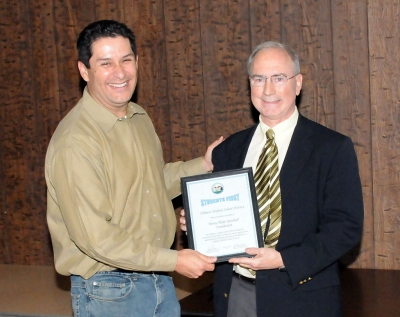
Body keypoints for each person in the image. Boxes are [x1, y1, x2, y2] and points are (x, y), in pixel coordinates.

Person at [45, 20, 223, 317]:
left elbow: (152, 182)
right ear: (84, 70)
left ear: (137, 62)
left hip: (156, 278)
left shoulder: (137, 116)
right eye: (105, 63)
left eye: (126, 60)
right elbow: (96, 238)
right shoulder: (76, 142)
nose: (120, 72)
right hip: (108, 291)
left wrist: (203, 165)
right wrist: (174, 261)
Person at [180, 41, 364, 317]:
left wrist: (283, 260)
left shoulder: (331, 148)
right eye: (259, 79)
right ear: (249, 84)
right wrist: (194, 223)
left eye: (279, 78)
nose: (268, 90)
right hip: (235, 294)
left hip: (302, 296)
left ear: (298, 83)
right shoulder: (228, 150)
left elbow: (345, 227)